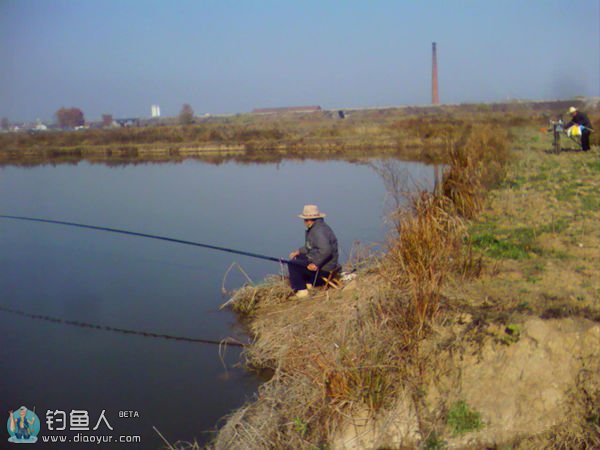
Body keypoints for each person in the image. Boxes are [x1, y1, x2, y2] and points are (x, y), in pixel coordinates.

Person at [288, 204, 339, 299]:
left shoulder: (318, 231)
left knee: (292, 264)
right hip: (325, 262)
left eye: (305, 220)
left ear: (310, 220)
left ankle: (302, 291)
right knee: (298, 258)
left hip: (325, 268)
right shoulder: (319, 227)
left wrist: (315, 264)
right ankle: (309, 284)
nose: (304, 222)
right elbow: (310, 246)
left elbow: (326, 250)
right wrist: (298, 251)